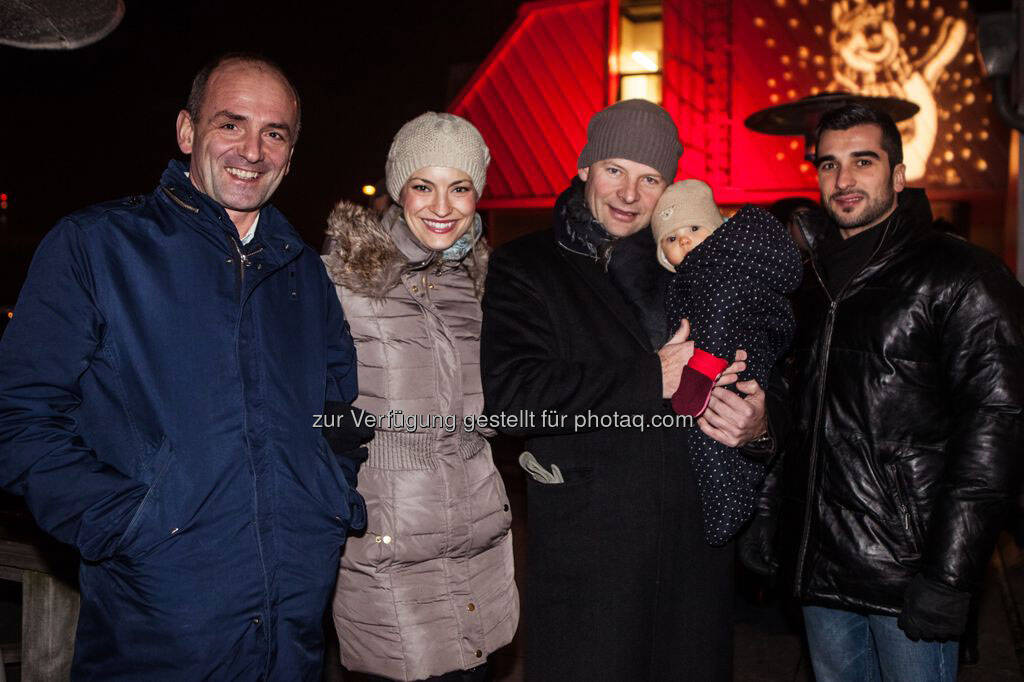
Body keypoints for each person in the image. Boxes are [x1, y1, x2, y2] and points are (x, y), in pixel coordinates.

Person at [0, 53, 368, 680]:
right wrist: (131, 526)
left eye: (274, 133)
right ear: (187, 132)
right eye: (231, 124)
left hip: (294, 628)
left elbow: (334, 412)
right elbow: (19, 418)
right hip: (157, 627)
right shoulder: (98, 248)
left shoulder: (304, 272)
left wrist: (325, 504)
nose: (252, 150)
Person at [480, 99, 780, 680]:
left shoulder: (697, 270)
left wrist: (762, 425)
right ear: (584, 166)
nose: (628, 194)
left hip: (695, 557)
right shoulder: (528, 266)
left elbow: (769, 378)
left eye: (650, 179)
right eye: (614, 169)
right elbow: (512, 394)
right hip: (591, 554)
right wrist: (651, 376)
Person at [741, 103, 1024, 681]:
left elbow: (995, 430)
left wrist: (949, 575)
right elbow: (793, 414)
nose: (843, 180)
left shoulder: (961, 274)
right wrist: (771, 518)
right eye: (828, 165)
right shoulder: (807, 282)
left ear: (897, 175)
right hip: (820, 568)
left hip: (906, 573)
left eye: (862, 161)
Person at [324, 112, 518, 682]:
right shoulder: (342, 281)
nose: (442, 206)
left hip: (476, 535)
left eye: (460, 188)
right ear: (397, 189)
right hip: (389, 542)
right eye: (423, 186)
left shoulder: (483, 284)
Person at [652, 180, 802, 545]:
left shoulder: (718, 273)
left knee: (714, 445)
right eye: (670, 239)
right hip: (718, 376)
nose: (683, 240)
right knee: (714, 447)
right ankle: (727, 512)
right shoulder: (689, 280)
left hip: (723, 371)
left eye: (693, 228)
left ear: (717, 230)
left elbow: (721, 312)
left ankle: (728, 515)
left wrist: (699, 372)